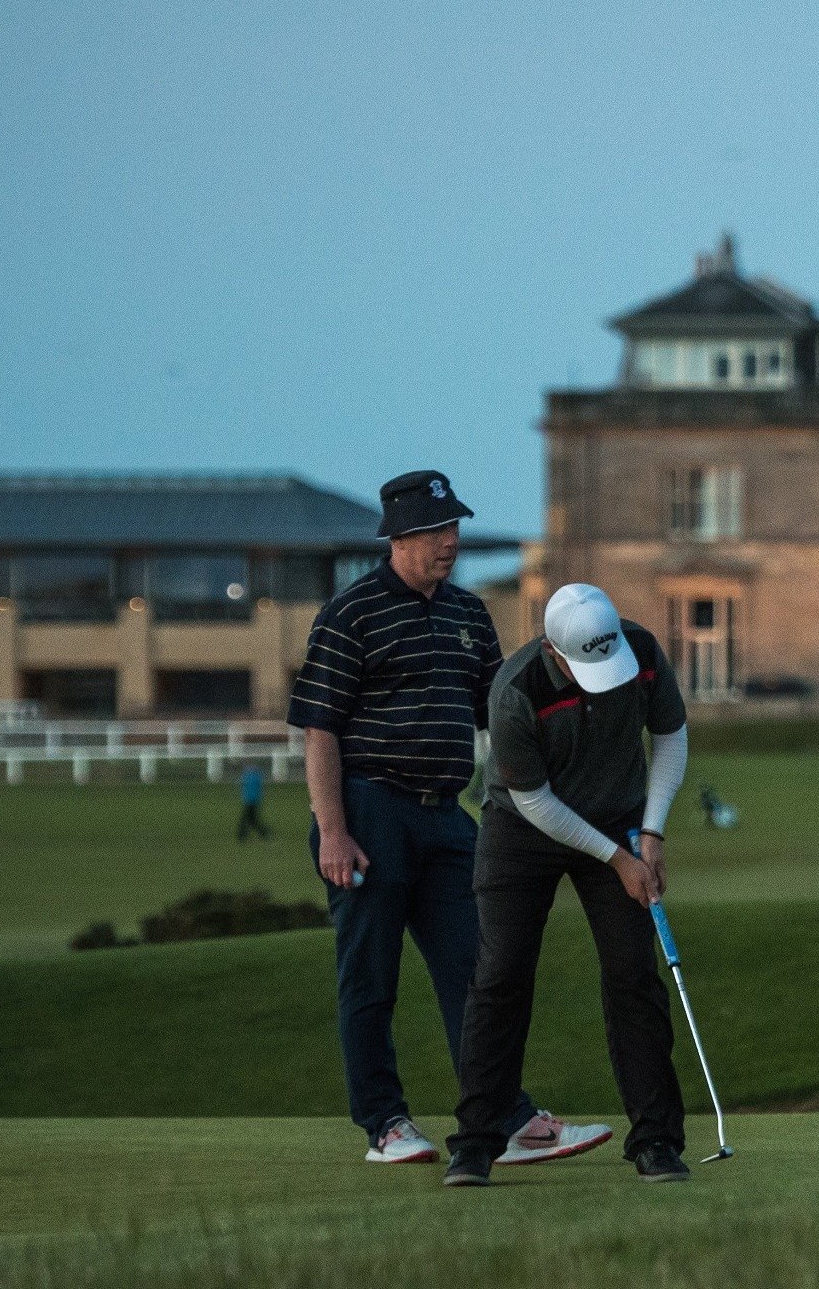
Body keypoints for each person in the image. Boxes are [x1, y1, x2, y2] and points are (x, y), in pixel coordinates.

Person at [287, 470, 607, 1168]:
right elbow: (319, 731)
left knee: (477, 971)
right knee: (371, 979)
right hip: (369, 811)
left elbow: (499, 712)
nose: (451, 542)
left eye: (455, 528)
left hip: (445, 815)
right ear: (399, 536)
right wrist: (334, 830)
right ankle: (385, 1124)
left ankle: (506, 1118)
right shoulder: (352, 613)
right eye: (436, 531)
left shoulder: (467, 614)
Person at [444, 583, 693, 1187]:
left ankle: (656, 1140)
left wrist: (651, 833)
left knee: (634, 974)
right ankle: (478, 1140)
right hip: (521, 827)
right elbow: (535, 800)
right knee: (501, 973)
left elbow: (670, 738)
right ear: (555, 653)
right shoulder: (514, 689)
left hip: (618, 817)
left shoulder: (640, 652)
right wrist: (618, 858)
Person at [236, 763, 272, 843]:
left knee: (247, 819)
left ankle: (242, 835)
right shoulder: (257, 777)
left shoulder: (249, 777)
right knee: (252, 820)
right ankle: (264, 833)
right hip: (255, 801)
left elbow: (243, 786)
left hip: (250, 801)